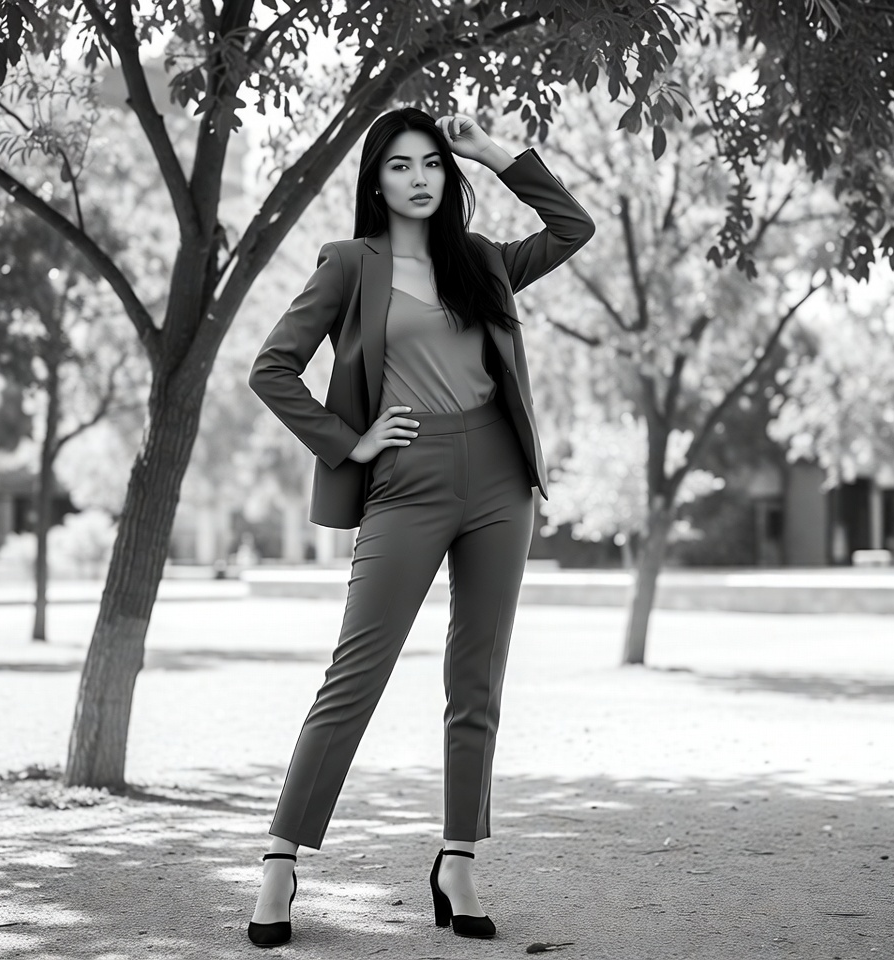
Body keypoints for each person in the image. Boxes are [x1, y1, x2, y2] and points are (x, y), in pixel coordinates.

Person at [246, 106, 595, 947]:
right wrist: (350, 439)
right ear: (376, 179)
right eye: (400, 165)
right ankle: (280, 862)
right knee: (354, 675)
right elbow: (272, 367)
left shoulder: (482, 262)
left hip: (501, 476)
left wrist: (497, 154)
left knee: (476, 679)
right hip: (406, 476)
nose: (419, 177)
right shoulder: (348, 264)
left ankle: (459, 857)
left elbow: (573, 225)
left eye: (433, 163)